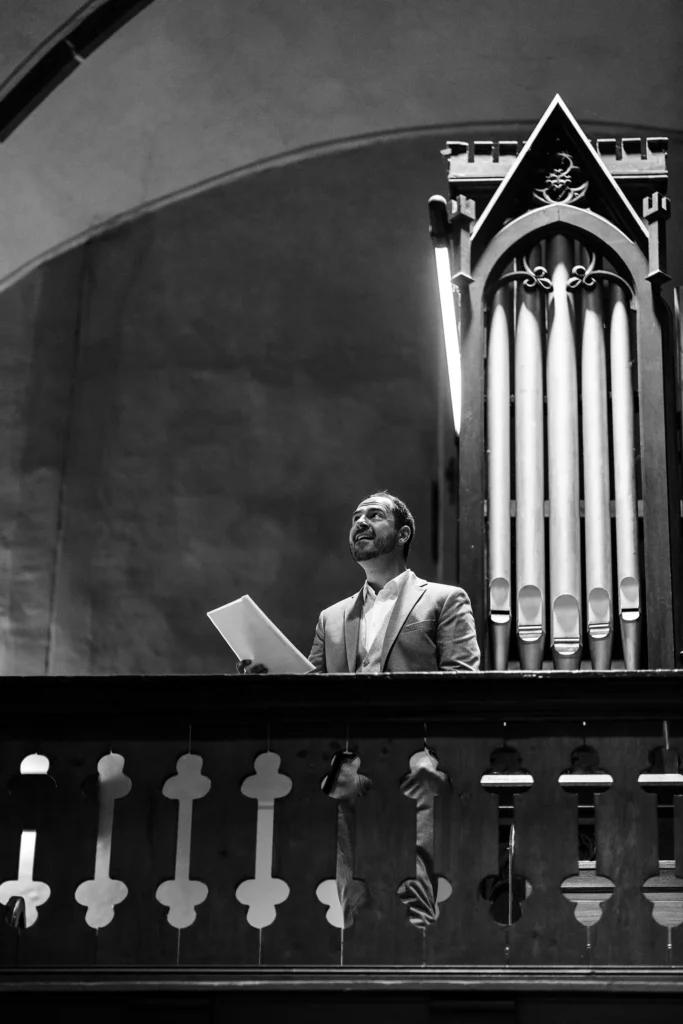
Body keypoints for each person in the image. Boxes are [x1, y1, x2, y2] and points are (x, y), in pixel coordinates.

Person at [238, 490, 480, 674]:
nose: (360, 523)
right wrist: (267, 679)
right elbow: (310, 698)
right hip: (343, 742)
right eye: (356, 518)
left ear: (403, 535)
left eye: (375, 515)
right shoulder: (330, 618)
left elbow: (461, 687)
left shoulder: (445, 600)